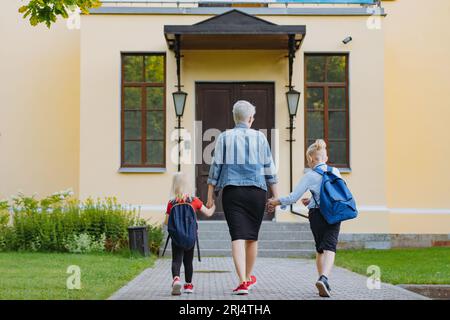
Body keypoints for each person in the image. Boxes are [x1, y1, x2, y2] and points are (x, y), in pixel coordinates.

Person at [206, 100, 278, 295]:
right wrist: (276, 198)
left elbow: (215, 167)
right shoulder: (260, 138)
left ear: (234, 117)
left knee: (237, 236)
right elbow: (269, 169)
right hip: (257, 192)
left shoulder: (224, 137)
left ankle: (242, 281)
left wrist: (210, 197)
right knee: (252, 238)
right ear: (250, 118)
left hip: (233, 192)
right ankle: (247, 278)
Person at [268, 139, 341, 298]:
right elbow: (335, 194)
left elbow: (293, 197)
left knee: (320, 248)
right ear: (325, 157)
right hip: (333, 213)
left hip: (316, 214)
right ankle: (324, 279)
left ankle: (322, 281)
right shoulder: (335, 172)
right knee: (330, 246)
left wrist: (276, 201)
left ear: (311, 160)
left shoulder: (310, 175)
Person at [165, 172, 216, 296]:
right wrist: (213, 205)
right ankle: (188, 285)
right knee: (188, 261)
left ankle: (176, 279)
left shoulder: (171, 203)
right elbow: (208, 213)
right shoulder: (194, 201)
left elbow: (167, 222)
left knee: (176, 260)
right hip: (190, 236)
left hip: (177, 236)